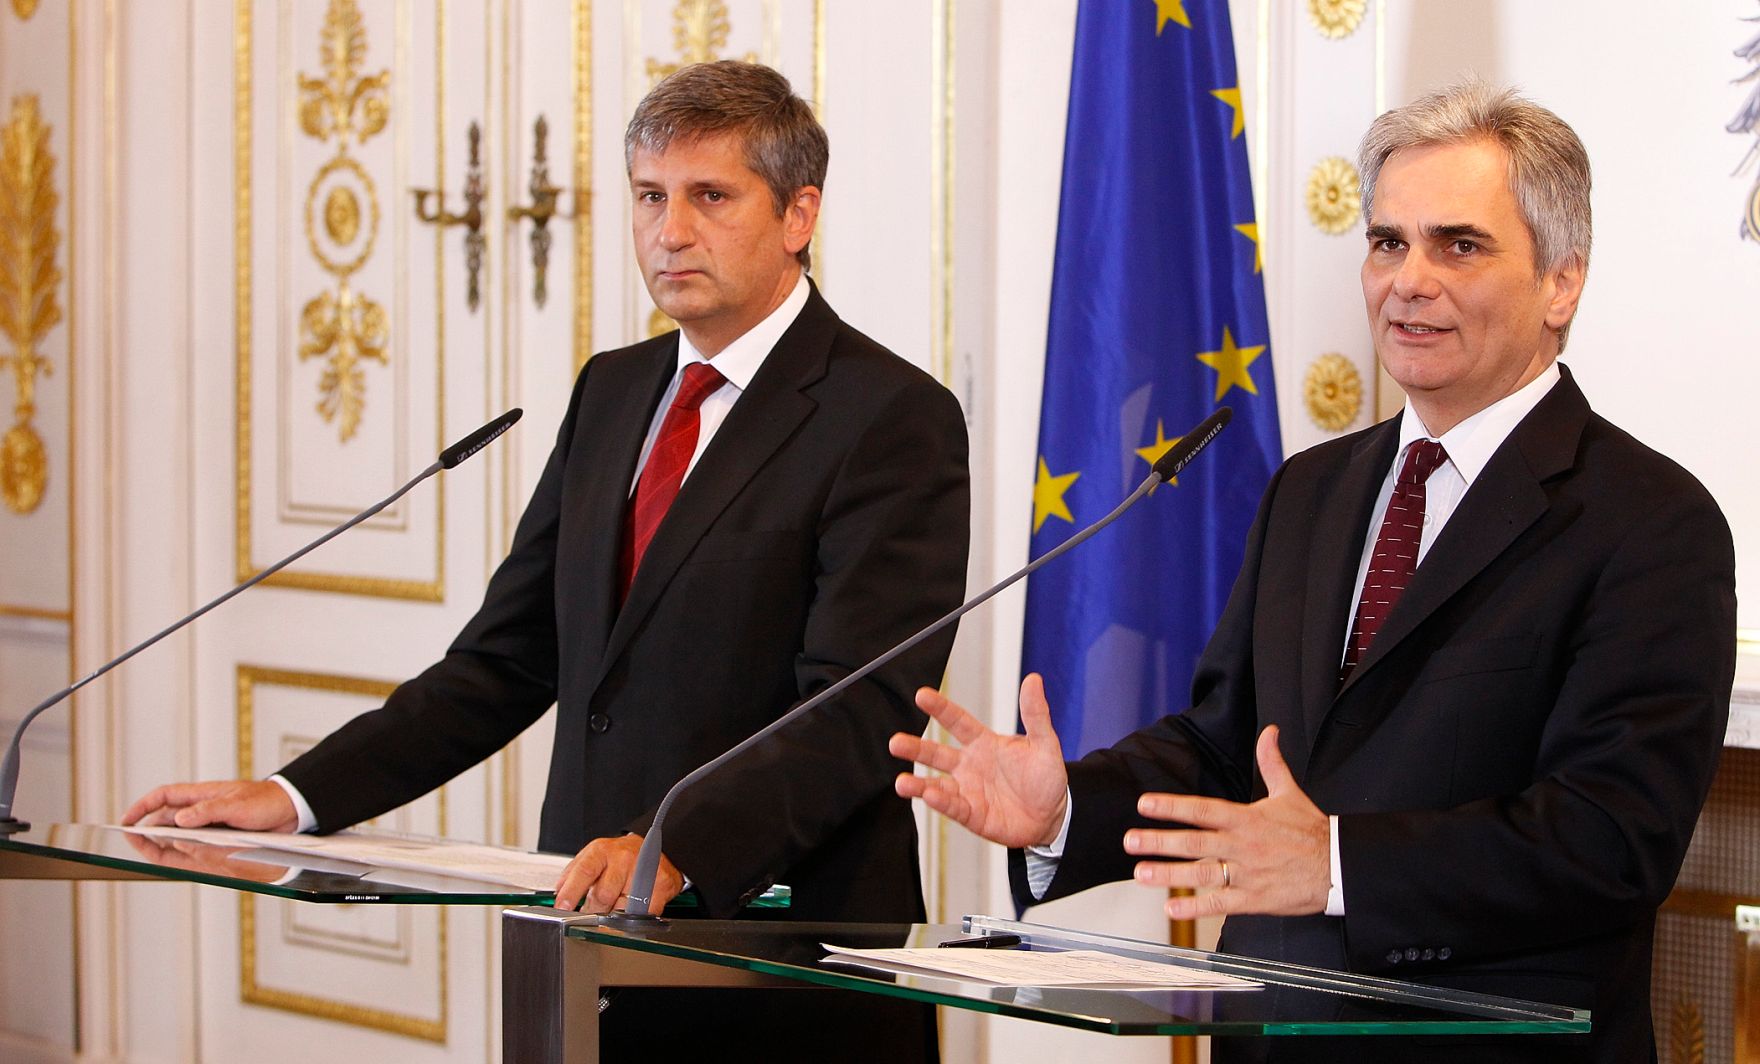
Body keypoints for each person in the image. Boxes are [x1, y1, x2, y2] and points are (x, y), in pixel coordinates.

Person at [127, 60, 968, 1059]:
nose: (670, 230)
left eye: (710, 196)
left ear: (797, 214)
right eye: (649, 196)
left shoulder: (888, 415)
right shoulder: (612, 390)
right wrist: (298, 794)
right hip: (581, 933)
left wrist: (679, 843)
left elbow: (854, 710)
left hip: (779, 956)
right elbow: (503, 660)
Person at [892, 80, 1734, 1064]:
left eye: (1456, 244)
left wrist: (1335, 863)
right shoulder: (1310, 488)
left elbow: (1608, 837)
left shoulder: (1648, 520)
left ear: (1560, 282)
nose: (1405, 278)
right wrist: (1063, 809)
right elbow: (1224, 749)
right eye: (1385, 241)